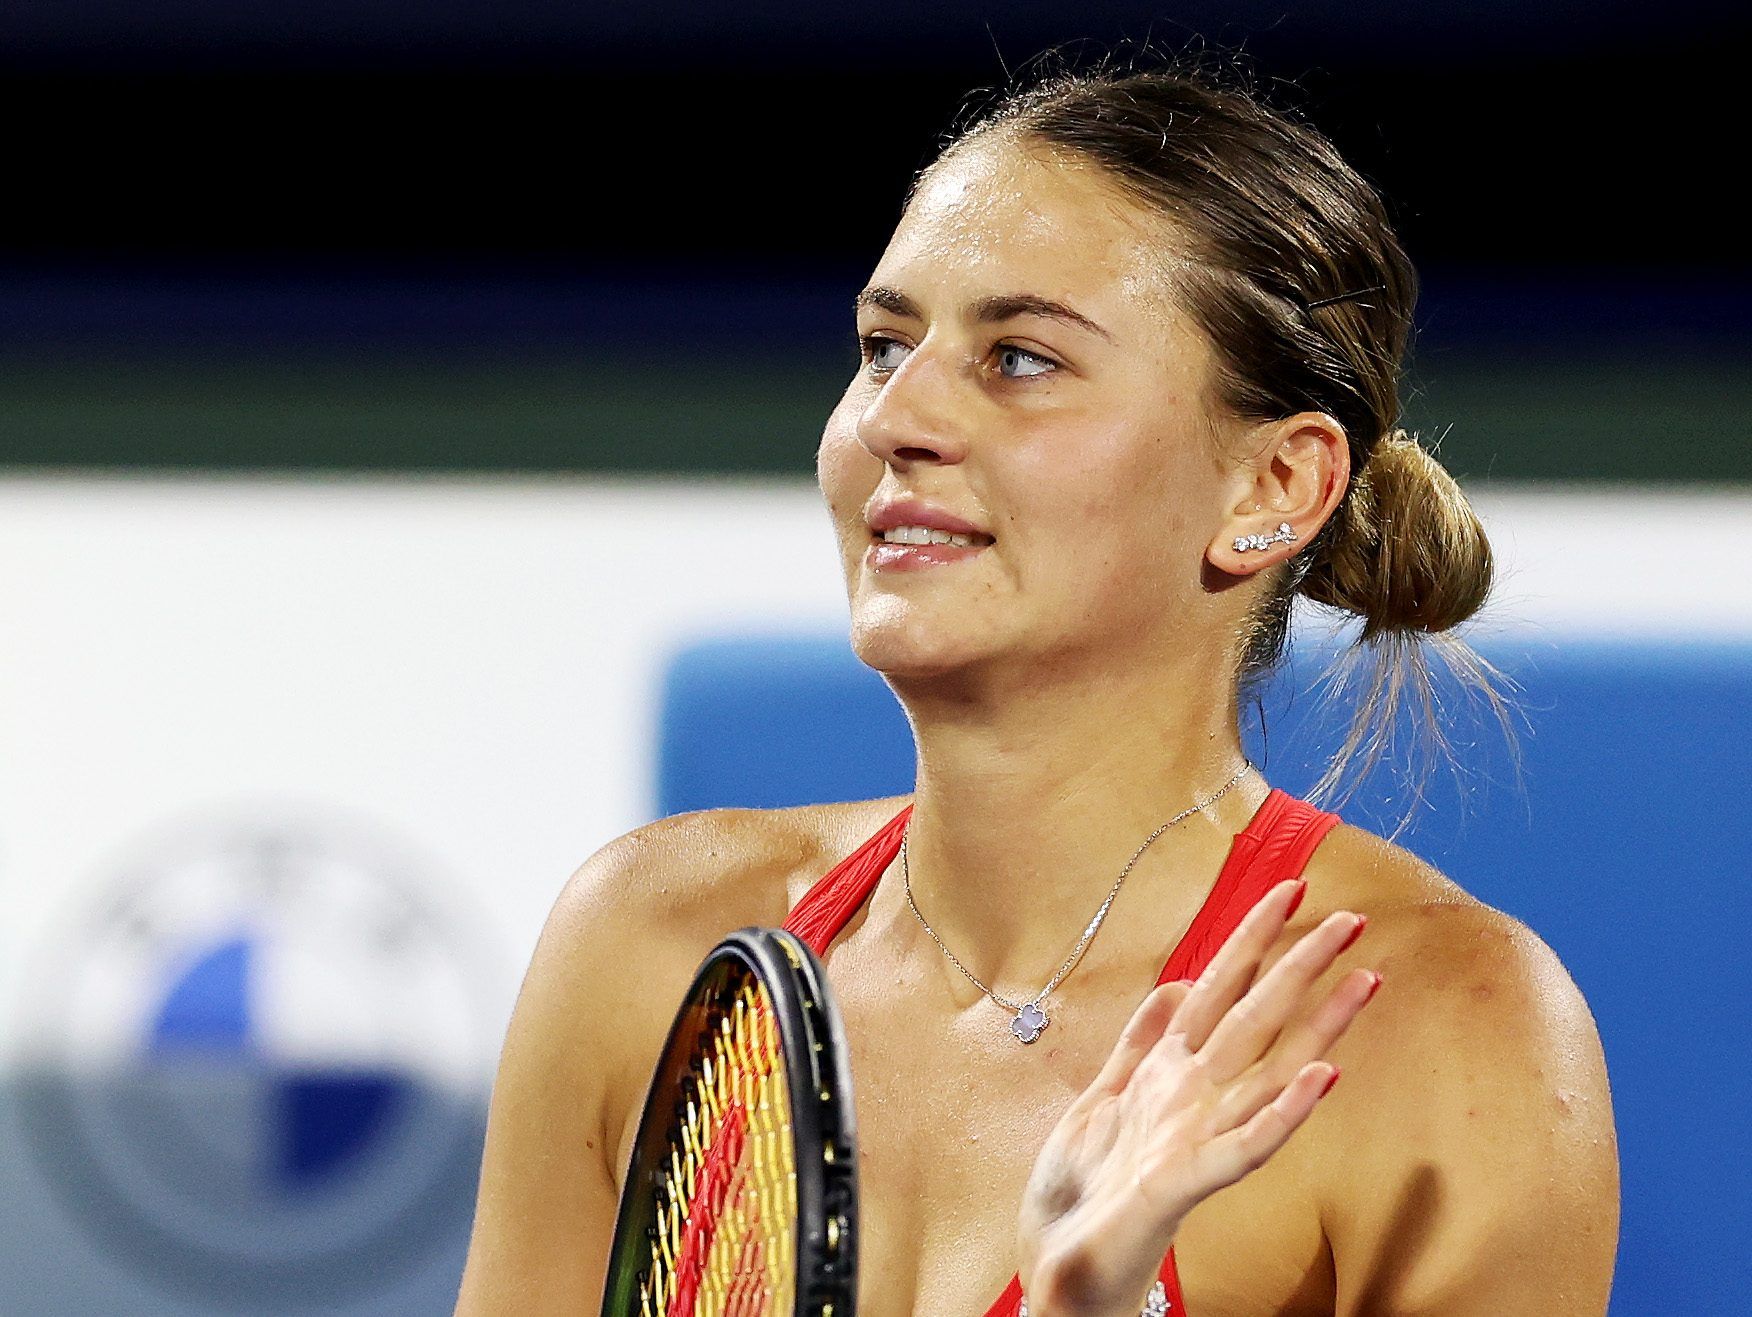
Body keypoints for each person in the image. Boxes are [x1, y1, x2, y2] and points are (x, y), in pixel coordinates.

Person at [455, 54, 1619, 1316]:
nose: (899, 417)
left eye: (1019, 359)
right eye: (883, 345)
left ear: (1273, 488)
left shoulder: (1447, 1032)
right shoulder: (649, 943)